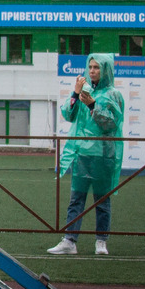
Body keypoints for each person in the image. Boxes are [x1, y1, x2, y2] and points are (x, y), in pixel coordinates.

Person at [48, 53, 125, 256]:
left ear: (106, 70)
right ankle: (70, 240)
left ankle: (101, 241)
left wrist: (92, 105)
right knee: (77, 197)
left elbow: (111, 124)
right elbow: (68, 114)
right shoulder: (84, 90)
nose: (92, 71)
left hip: (103, 154)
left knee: (102, 200)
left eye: (97, 67)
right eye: (90, 67)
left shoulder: (113, 95)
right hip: (82, 153)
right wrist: (75, 93)